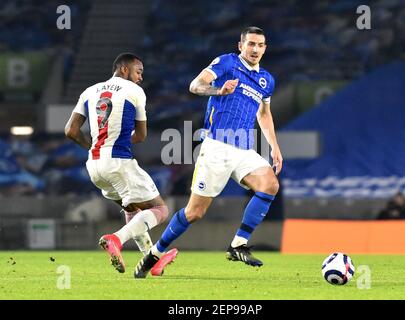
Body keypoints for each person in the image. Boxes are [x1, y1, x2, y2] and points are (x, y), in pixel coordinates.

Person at [134, 27, 282, 278]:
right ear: (241, 45)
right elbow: (195, 85)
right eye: (251, 44)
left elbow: (264, 114)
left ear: (265, 48)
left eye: (260, 45)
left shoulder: (266, 79)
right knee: (195, 213)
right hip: (217, 146)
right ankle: (155, 254)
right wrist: (219, 90)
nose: (255, 49)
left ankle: (238, 244)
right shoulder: (226, 63)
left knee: (269, 184)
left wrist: (274, 147)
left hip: (244, 148)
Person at [65, 52, 177, 276]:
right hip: (119, 161)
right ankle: (115, 239)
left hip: (95, 165)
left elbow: (70, 131)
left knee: (132, 209)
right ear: (124, 70)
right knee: (160, 209)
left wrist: (93, 146)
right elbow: (142, 135)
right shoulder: (135, 91)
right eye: (139, 71)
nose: (140, 77)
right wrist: (120, 139)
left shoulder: (89, 92)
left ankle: (151, 261)